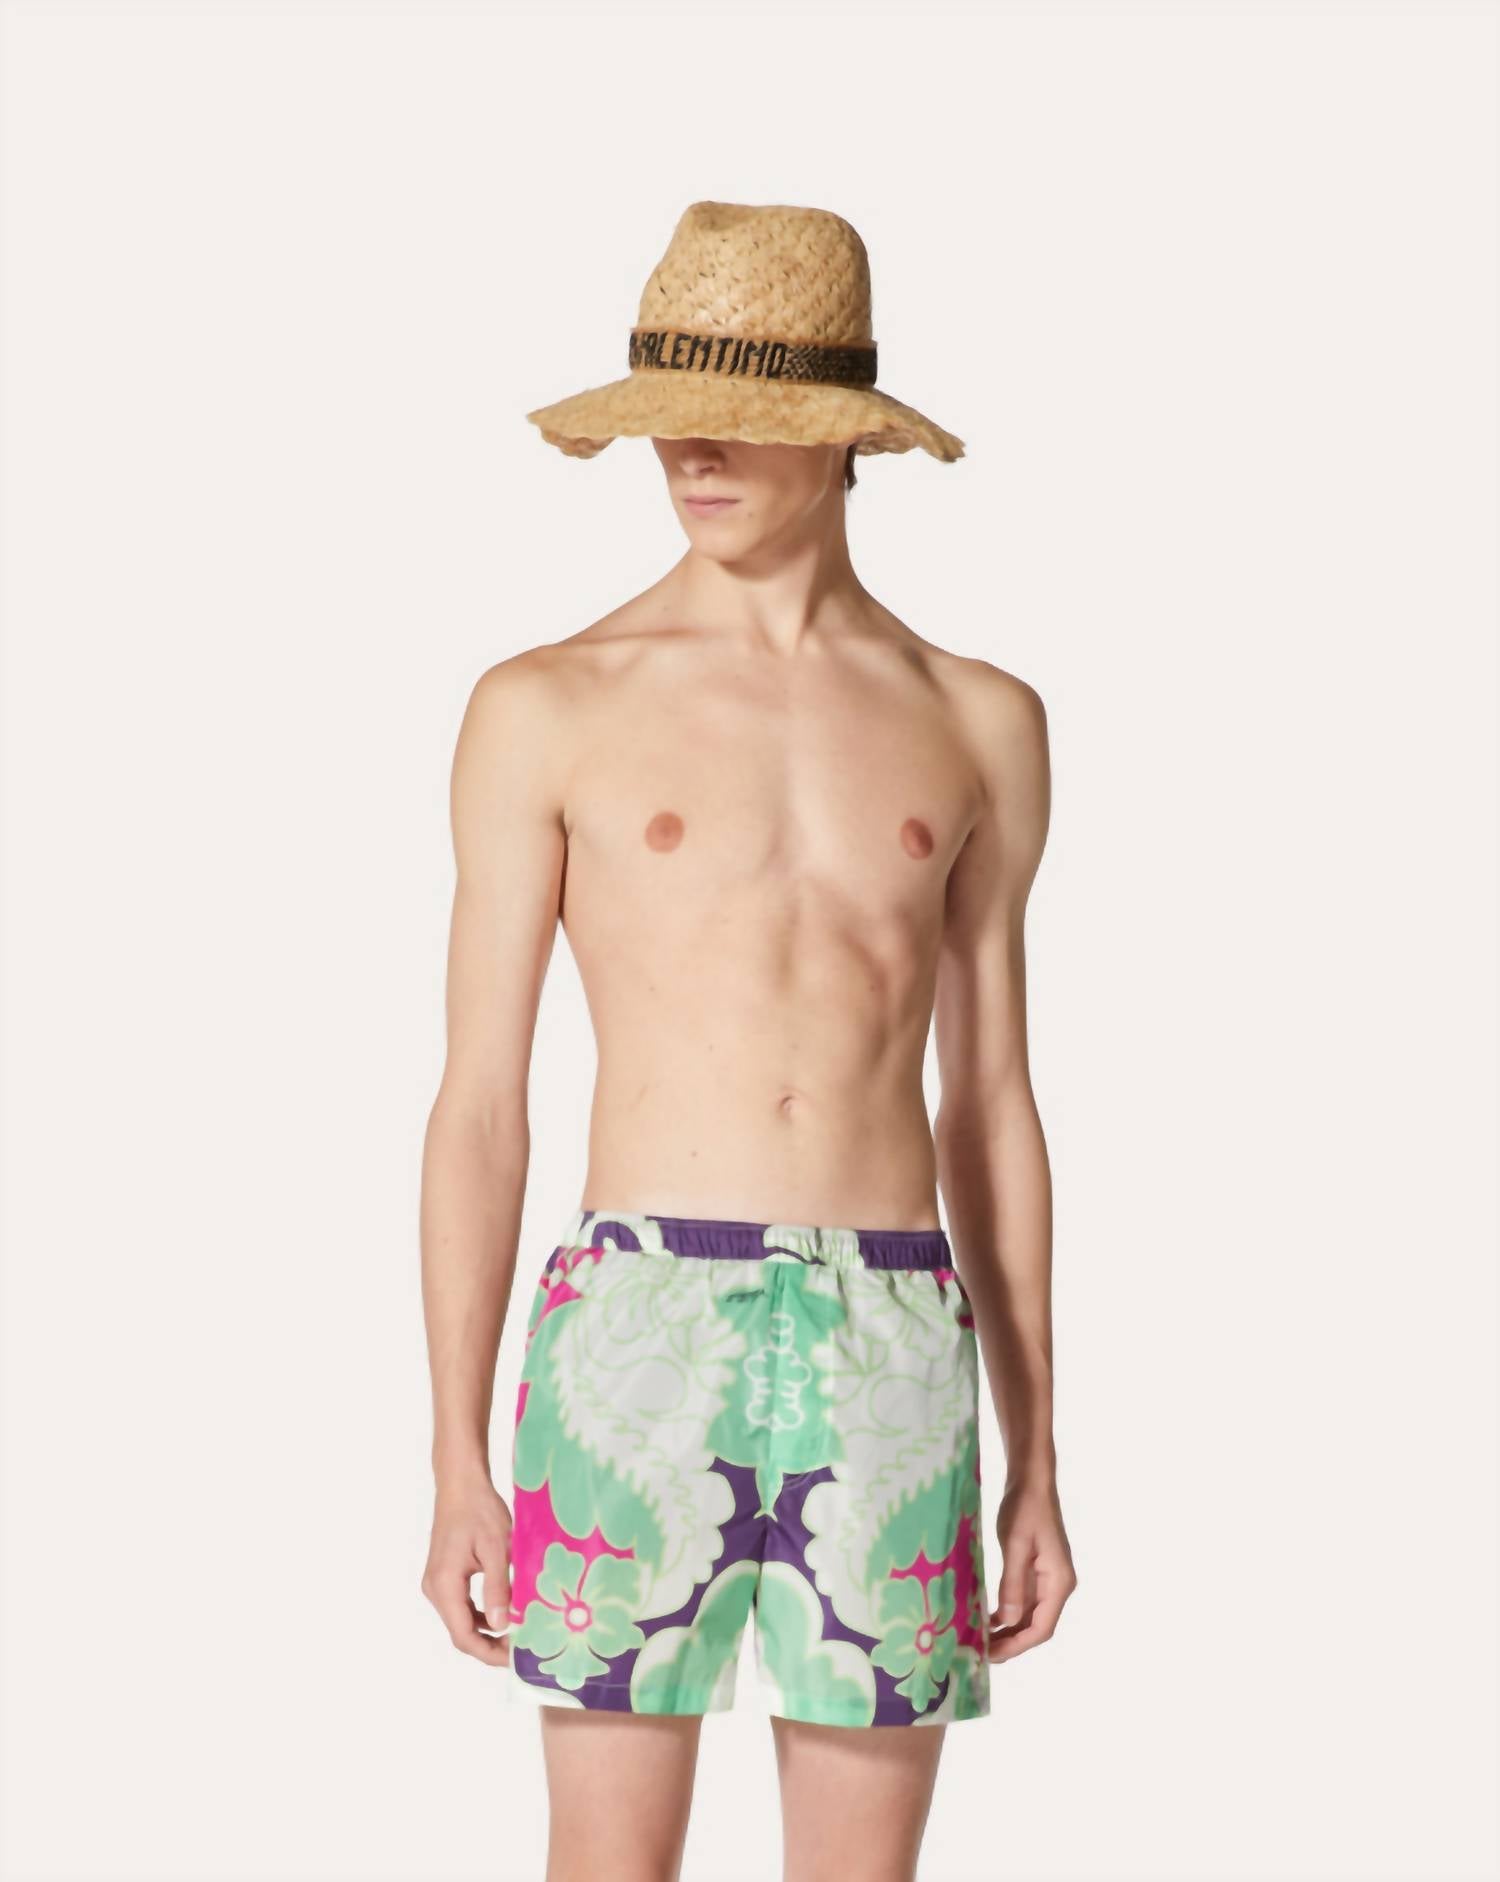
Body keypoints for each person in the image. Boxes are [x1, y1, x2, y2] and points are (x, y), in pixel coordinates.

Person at [419, 200, 1077, 1881]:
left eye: (742, 416)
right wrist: (454, 1454)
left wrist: (1040, 1459)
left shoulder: (976, 718)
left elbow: (992, 1103)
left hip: (891, 1328)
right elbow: (481, 1104)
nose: (690, 451)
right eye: (667, 415)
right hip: (635, 1319)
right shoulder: (549, 703)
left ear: (844, 435)